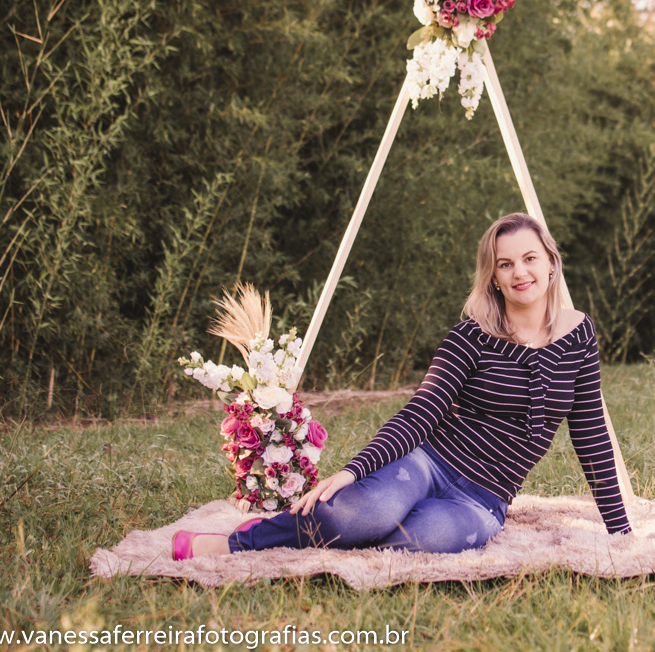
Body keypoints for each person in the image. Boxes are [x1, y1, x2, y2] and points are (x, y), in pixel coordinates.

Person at [173, 212, 630, 559]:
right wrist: (354, 471)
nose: (520, 272)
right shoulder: (470, 336)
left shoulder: (580, 334)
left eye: (530, 258)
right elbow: (421, 412)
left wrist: (621, 532)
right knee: (356, 515)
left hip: (484, 498)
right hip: (427, 462)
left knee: (421, 540)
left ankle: (339, 542)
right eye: (505, 264)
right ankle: (236, 544)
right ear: (493, 277)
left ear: (551, 262)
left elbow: (590, 434)